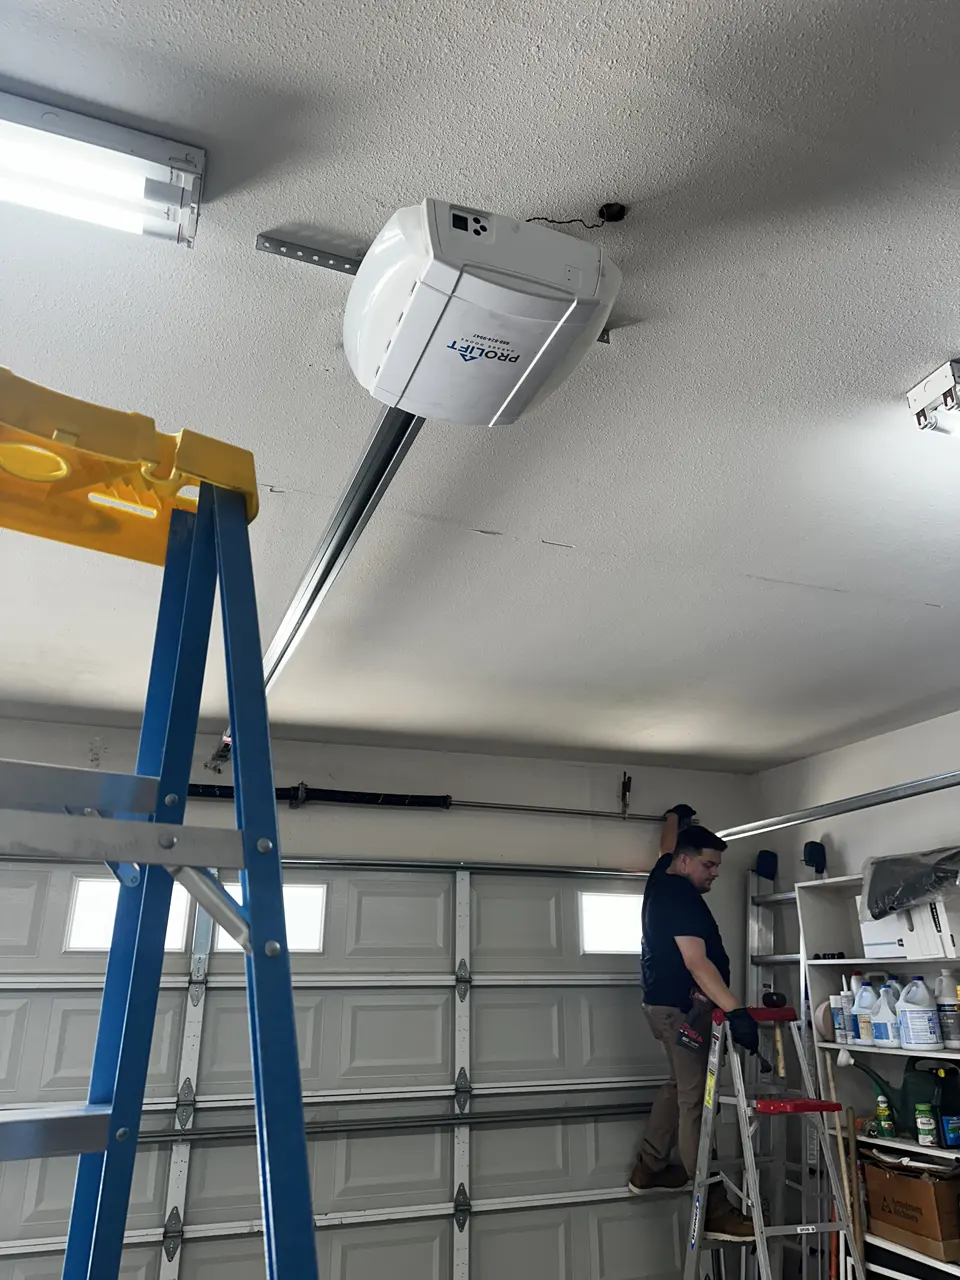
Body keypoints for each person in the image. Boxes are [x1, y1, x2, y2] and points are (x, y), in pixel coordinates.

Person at [627, 804, 758, 1241]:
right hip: (681, 1013)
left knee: (676, 1085)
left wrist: (672, 819)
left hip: (660, 1008)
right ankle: (714, 1204)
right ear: (686, 862)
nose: (714, 873)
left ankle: (648, 1167)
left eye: (717, 865)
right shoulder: (679, 895)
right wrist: (736, 1010)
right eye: (708, 864)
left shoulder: (664, 871)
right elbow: (697, 962)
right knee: (695, 1101)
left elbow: (665, 846)